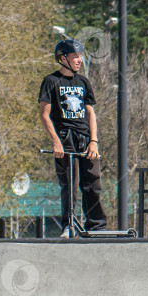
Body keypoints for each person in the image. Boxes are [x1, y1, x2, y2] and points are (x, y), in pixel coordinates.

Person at [38, 39, 107, 236]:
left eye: (81, 56)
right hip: (64, 137)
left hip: (85, 137)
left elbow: (90, 113)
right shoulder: (51, 81)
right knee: (70, 183)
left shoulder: (84, 82)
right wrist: (56, 142)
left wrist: (94, 141)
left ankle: (96, 225)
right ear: (62, 58)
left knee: (92, 183)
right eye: (75, 56)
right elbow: (44, 114)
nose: (79, 60)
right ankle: (69, 224)